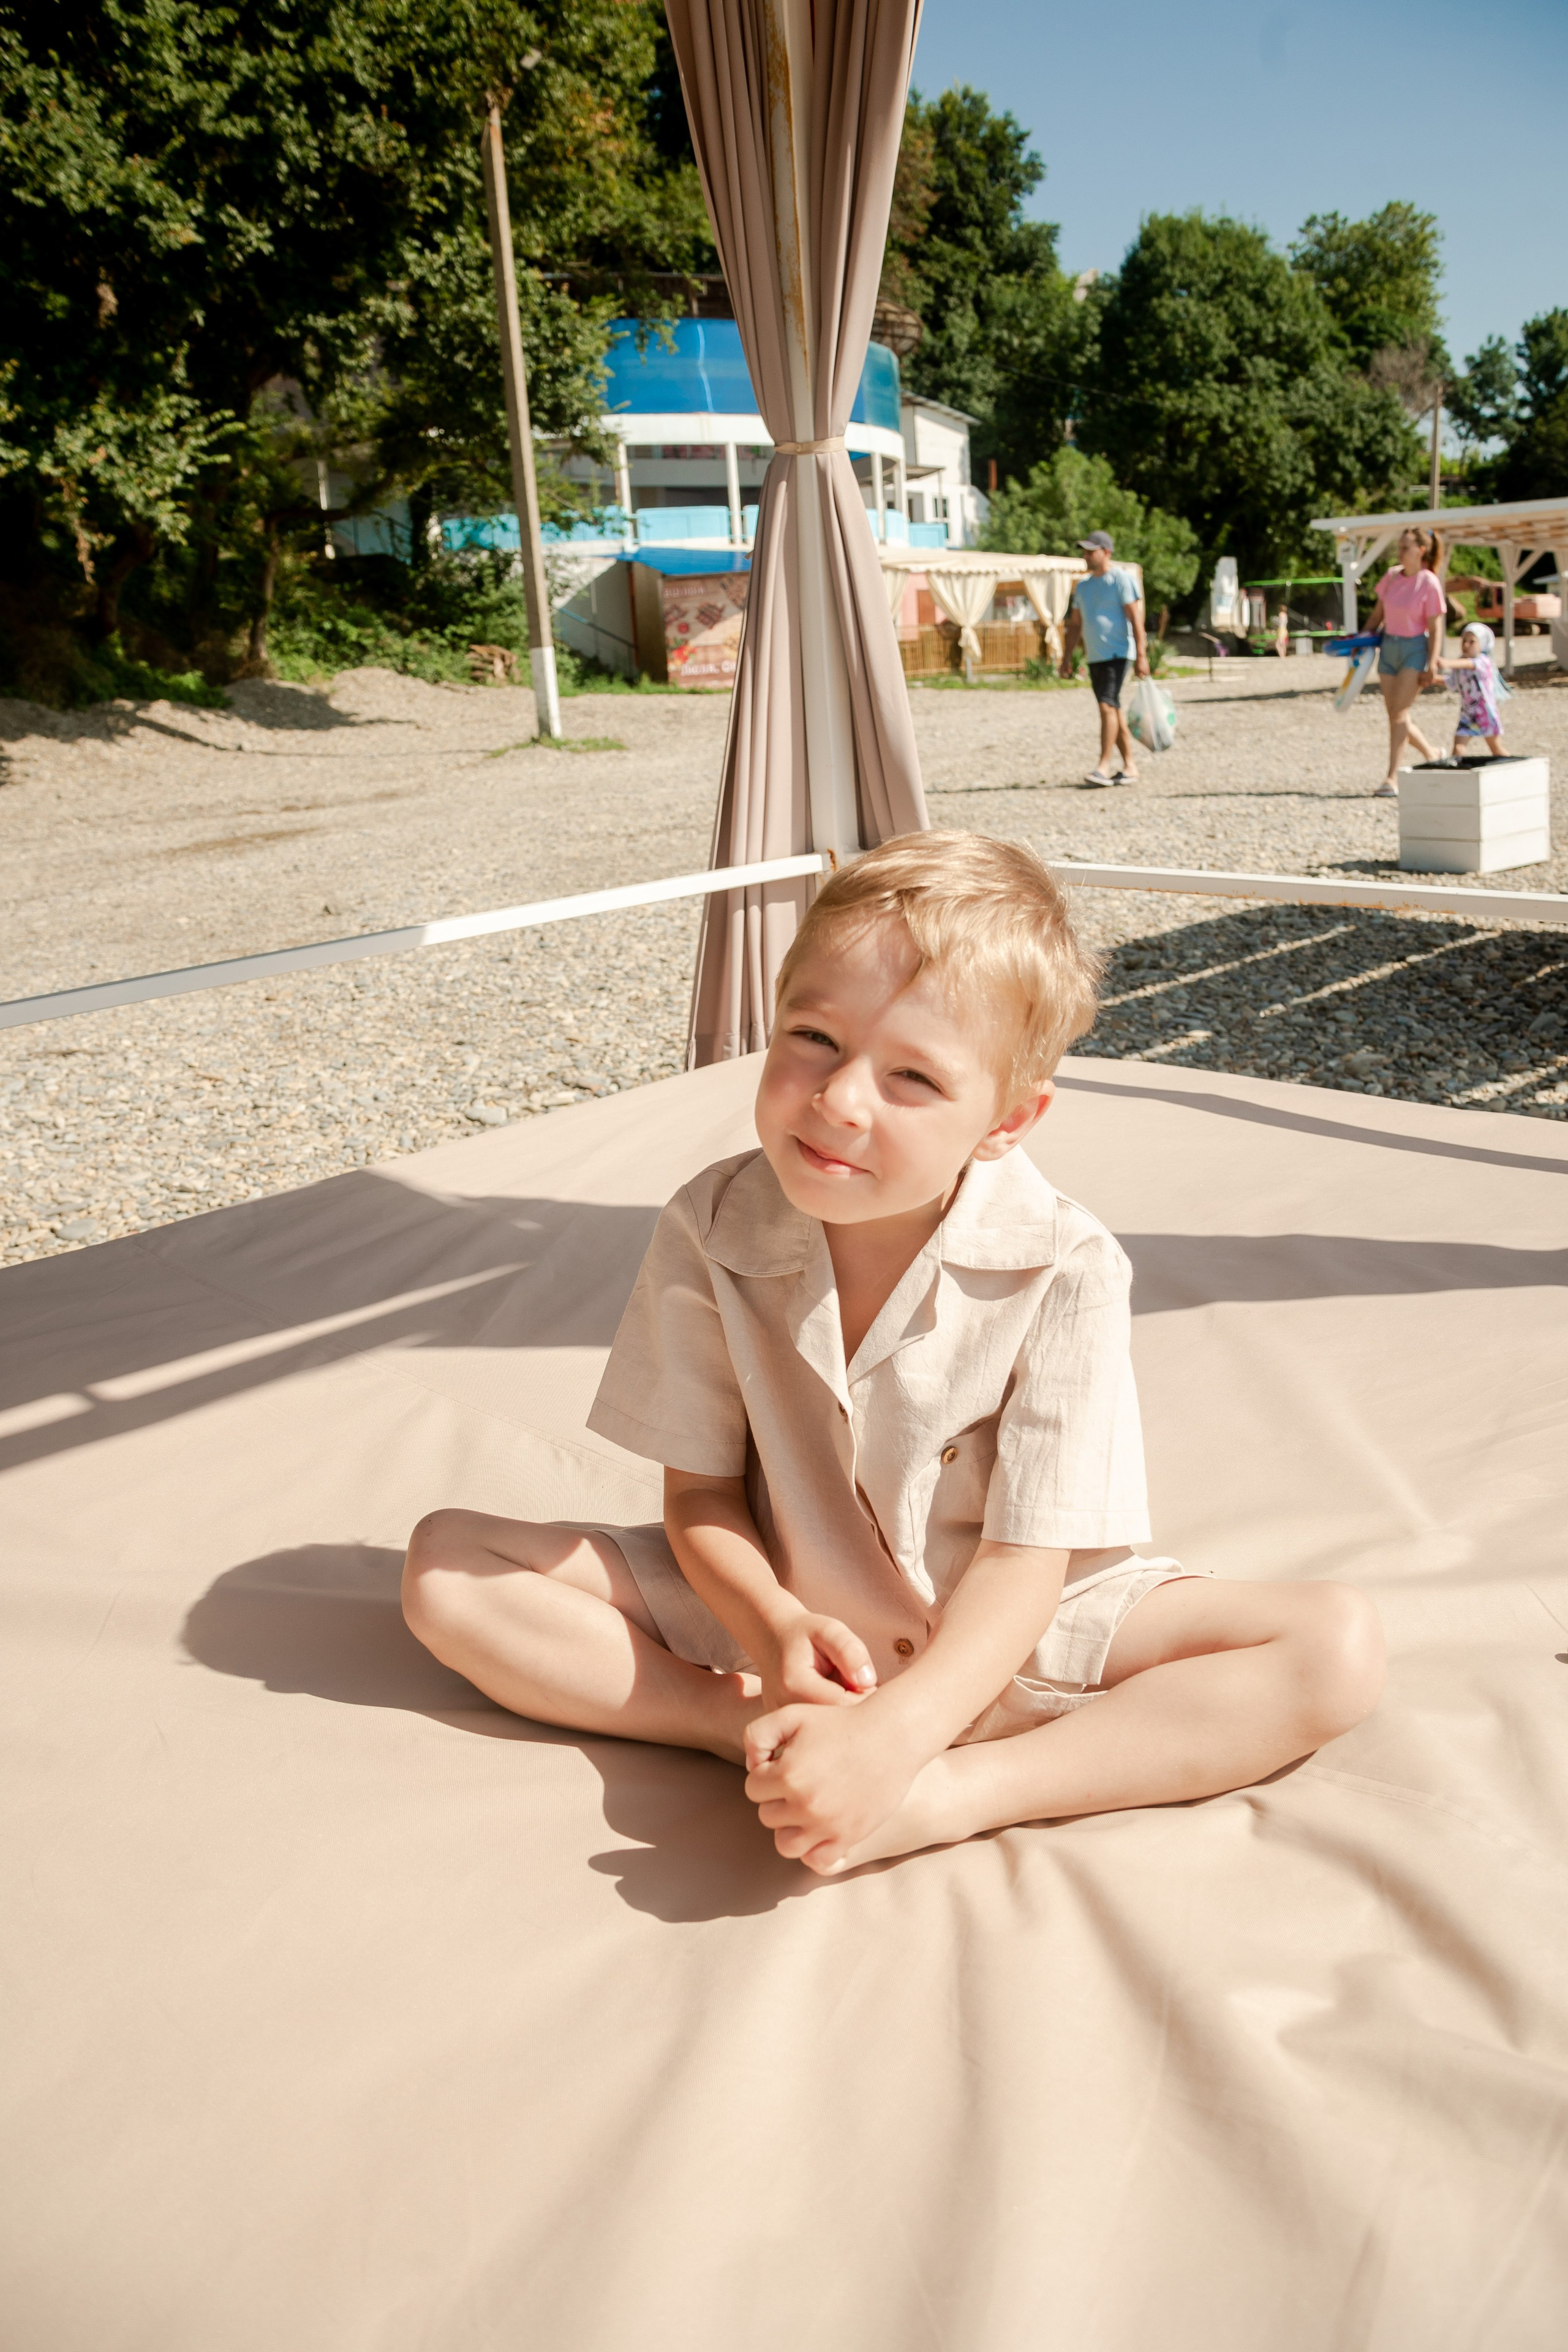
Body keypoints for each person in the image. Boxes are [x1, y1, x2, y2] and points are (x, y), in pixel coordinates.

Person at [403, 834, 1384, 1875]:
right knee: (446, 1565)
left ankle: (959, 1792)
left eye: (912, 1075)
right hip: (789, 1614)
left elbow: (1026, 1559)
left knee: (1335, 1648)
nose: (841, 1099)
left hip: (1013, 1623)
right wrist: (775, 1629)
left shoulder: (1067, 1265)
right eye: (814, 1037)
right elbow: (699, 1500)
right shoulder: (709, 1225)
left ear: (1008, 1120)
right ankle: (745, 1735)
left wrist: (908, 1734)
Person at [1058, 530, 1152, 787]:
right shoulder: (1083, 587)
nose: (1086, 556)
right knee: (1114, 709)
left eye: (1091, 551)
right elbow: (1075, 625)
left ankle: (1103, 766)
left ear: (1106, 552)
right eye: (1084, 551)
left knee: (1106, 706)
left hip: (1118, 653)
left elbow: (1136, 620)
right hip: (1095, 656)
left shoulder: (1121, 580)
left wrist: (1142, 656)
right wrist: (1067, 657)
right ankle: (1130, 766)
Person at [1366, 525, 1447, 797]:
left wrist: (1432, 664)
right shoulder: (1390, 577)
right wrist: (1358, 642)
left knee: (1399, 714)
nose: (1399, 552)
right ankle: (1432, 753)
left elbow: (1436, 629)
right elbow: (1377, 616)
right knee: (1395, 716)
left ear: (1421, 551)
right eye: (1399, 547)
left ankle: (1392, 778)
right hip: (1388, 648)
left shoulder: (1429, 582)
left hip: (1415, 650)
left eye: (1405, 548)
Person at [1433, 621, 1506, 758]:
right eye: (1464, 641)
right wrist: (1433, 679)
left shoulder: (1484, 662)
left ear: (1482, 644)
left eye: (1472, 642)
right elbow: (1451, 682)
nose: (1466, 645)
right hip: (1467, 715)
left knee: (1496, 750)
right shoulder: (1460, 663)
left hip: (1486, 714)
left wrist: (1448, 663)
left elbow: (1470, 665)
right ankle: (1458, 776)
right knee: (1458, 749)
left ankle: (1514, 769)